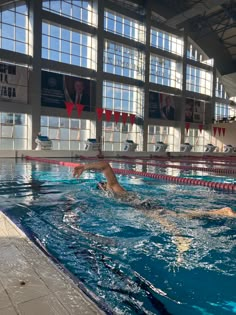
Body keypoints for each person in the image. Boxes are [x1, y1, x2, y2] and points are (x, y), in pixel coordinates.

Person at [73, 161, 236, 263]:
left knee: (161, 220)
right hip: (145, 203)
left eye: (102, 187)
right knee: (179, 215)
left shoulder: (114, 188)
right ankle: (220, 211)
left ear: (103, 187)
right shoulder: (112, 193)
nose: (102, 188)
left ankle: (180, 238)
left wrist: (85, 167)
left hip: (142, 205)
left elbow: (105, 165)